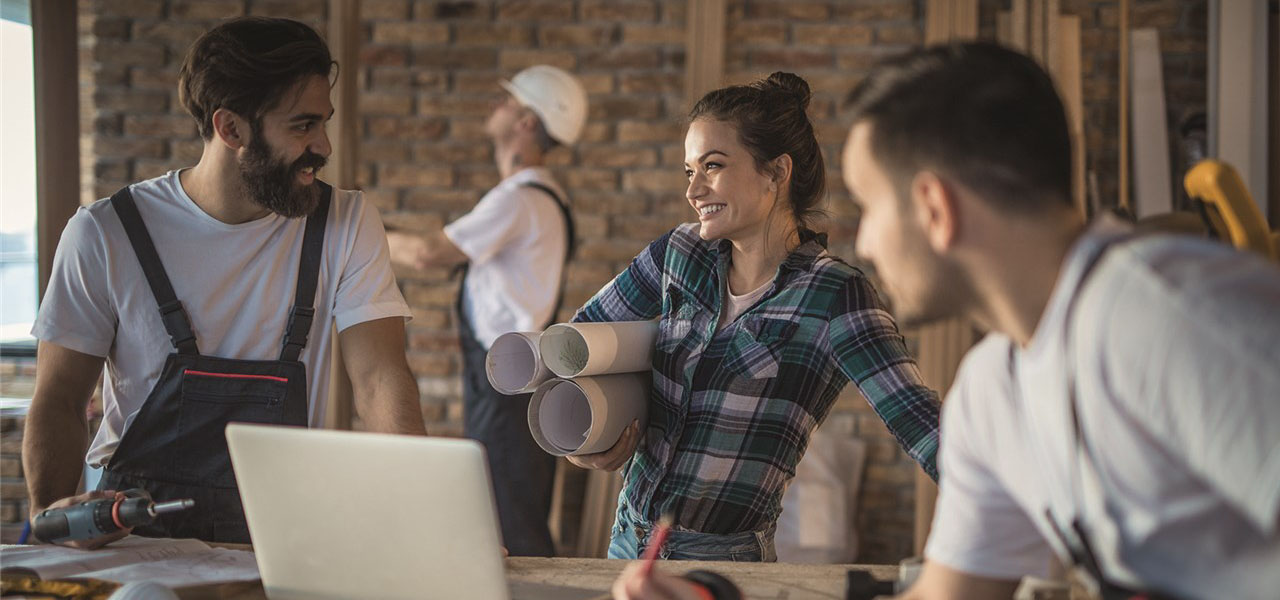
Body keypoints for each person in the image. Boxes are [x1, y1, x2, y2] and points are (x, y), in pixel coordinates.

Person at [617, 42, 1280, 600]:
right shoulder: (996, 391)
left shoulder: (1175, 318)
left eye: (872, 206)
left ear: (935, 207)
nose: (866, 243)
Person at [25, 17, 426, 548]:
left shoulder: (345, 222)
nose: (324, 146)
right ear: (231, 128)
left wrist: (424, 518)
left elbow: (380, 379)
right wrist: (51, 519)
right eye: (303, 125)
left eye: (324, 123)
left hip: (280, 530)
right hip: (133, 535)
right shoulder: (106, 232)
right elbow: (59, 397)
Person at [567, 72, 940, 562]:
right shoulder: (677, 256)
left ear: (776, 173)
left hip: (725, 564)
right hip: (626, 541)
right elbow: (575, 347)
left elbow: (924, 427)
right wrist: (588, 434)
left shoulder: (835, 296)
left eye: (713, 166)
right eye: (688, 171)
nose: (693, 190)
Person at [384, 65, 587, 557]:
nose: (494, 105)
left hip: (507, 390)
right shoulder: (541, 198)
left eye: (507, 100)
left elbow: (429, 253)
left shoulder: (519, 200)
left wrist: (350, 234)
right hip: (511, 382)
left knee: (512, 530)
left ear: (527, 123)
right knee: (508, 518)